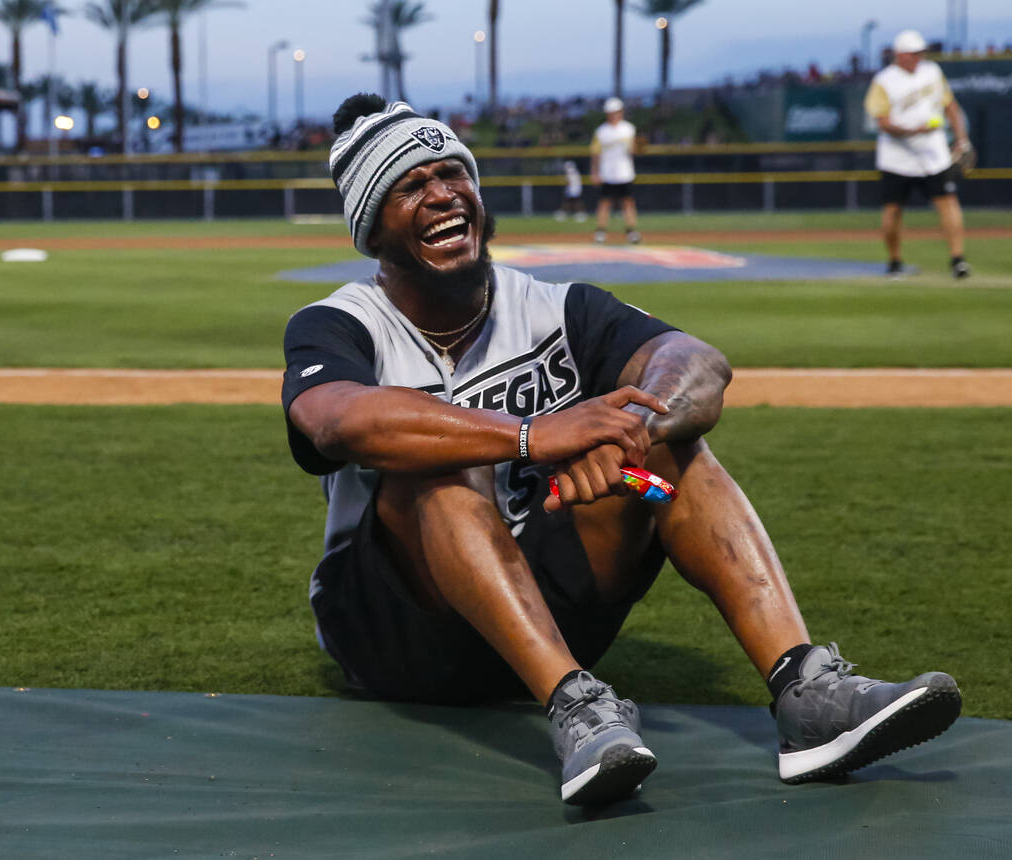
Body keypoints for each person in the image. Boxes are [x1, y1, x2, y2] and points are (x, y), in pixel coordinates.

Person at [282, 93, 962, 806]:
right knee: (437, 467)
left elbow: (696, 362)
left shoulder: (555, 307)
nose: (444, 194)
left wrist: (633, 434)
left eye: (455, 173)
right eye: (412, 185)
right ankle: (575, 703)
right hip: (401, 632)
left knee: (666, 465)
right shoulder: (339, 324)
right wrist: (533, 435)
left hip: (550, 602)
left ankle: (805, 689)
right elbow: (338, 420)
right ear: (371, 225)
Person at [864, 29, 973, 278]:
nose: (917, 57)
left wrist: (962, 139)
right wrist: (912, 130)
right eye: (913, 53)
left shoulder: (932, 72)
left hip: (933, 152)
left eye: (920, 53)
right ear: (899, 55)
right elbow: (883, 122)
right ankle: (894, 261)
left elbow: (950, 105)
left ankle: (958, 259)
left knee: (948, 202)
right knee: (893, 209)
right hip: (897, 155)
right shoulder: (884, 80)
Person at [589, 97, 640, 244]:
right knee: (604, 203)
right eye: (611, 112)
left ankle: (631, 231)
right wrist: (594, 172)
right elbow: (595, 154)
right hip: (607, 173)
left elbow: (634, 150)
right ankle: (600, 232)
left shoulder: (629, 129)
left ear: (621, 112)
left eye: (616, 112)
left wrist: (638, 148)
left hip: (625, 172)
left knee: (628, 202)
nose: (613, 115)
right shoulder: (601, 131)